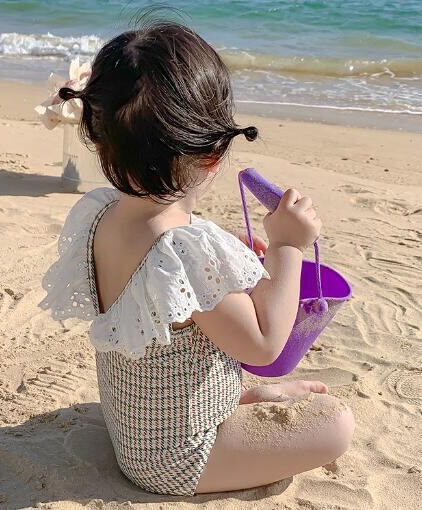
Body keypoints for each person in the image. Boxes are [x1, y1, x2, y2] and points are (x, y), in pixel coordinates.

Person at [39, 20, 355, 497]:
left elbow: (174, 290)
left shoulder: (101, 213)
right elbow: (264, 346)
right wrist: (288, 247)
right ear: (213, 153)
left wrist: (227, 262)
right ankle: (234, 413)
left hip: (139, 430)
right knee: (336, 423)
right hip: (180, 456)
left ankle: (238, 401)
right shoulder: (183, 253)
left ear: (100, 135)